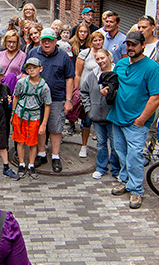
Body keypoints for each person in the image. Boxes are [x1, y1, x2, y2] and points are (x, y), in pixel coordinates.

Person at [106, 31, 159, 209]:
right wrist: (107, 91)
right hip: (118, 117)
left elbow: (156, 96)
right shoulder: (121, 64)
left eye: (134, 45)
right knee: (120, 152)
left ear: (142, 46)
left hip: (136, 122)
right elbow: (113, 86)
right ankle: (125, 181)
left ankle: (136, 190)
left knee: (134, 155)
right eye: (128, 44)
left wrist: (141, 119)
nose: (130, 48)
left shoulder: (152, 68)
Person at [27, 28, 77, 173]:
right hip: (36, 100)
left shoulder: (63, 56)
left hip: (57, 99)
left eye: (50, 40)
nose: (46, 43)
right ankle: (42, 154)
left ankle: (55, 156)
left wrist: (68, 100)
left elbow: (69, 78)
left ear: (56, 41)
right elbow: (26, 74)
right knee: (40, 128)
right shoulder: (33, 53)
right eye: (44, 40)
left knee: (55, 128)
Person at [80, 49, 119, 180]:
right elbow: (84, 91)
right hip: (97, 115)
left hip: (113, 115)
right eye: (98, 59)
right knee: (101, 143)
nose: (101, 61)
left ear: (109, 57)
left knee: (115, 144)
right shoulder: (93, 75)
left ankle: (116, 169)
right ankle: (101, 167)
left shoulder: (117, 72)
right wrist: (89, 108)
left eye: (103, 58)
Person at [11, 58, 50, 179]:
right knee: (20, 141)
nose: (31, 70)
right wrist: (13, 114)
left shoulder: (44, 87)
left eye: (34, 68)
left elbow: (47, 105)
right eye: (29, 68)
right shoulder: (22, 82)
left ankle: (31, 165)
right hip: (20, 115)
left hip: (34, 117)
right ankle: (22, 164)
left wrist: (43, 124)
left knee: (33, 143)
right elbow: (16, 97)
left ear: (40, 69)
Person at [74, 28, 107, 158]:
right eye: (95, 40)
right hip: (87, 92)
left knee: (102, 123)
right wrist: (76, 91)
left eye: (100, 40)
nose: (98, 42)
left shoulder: (106, 54)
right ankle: (84, 146)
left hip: (102, 94)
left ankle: (102, 147)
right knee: (86, 121)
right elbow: (78, 74)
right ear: (91, 41)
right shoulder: (85, 54)